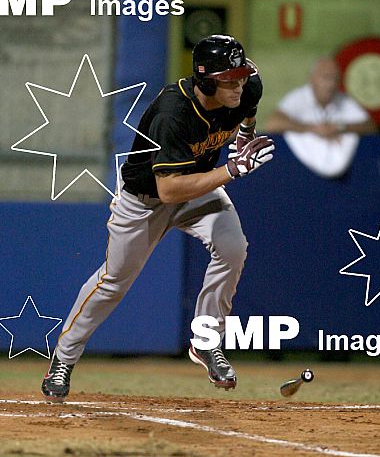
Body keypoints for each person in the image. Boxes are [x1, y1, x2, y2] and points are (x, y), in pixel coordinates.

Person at [41, 35, 274, 401]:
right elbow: (169, 191)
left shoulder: (248, 88)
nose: (239, 84)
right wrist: (231, 169)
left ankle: (206, 341)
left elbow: (249, 111)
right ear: (205, 80)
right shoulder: (172, 113)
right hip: (145, 198)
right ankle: (64, 358)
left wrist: (245, 137)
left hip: (197, 188)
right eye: (229, 78)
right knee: (114, 281)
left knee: (233, 248)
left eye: (241, 75)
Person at [265, 57, 375, 177]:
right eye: (326, 77)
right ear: (312, 79)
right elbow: (273, 124)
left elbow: (370, 126)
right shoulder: (299, 97)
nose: (331, 84)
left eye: (335, 79)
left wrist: (339, 128)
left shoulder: (343, 100)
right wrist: (312, 129)